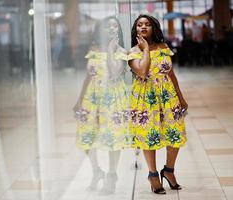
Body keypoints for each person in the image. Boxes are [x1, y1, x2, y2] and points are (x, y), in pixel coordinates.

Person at [127, 14, 188, 194]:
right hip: (146, 99)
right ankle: (153, 175)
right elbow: (143, 71)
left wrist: (181, 98)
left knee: (175, 133)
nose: (143, 27)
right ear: (136, 29)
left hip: (168, 96)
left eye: (147, 24)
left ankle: (169, 170)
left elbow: (171, 74)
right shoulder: (132, 52)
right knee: (150, 136)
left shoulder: (163, 47)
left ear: (154, 28)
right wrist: (145, 49)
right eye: (139, 25)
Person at [74, 16, 132, 194]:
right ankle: (97, 171)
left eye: (115, 26)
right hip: (92, 98)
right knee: (86, 137)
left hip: (112, 98)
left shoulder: (120, 50)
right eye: (108, 26)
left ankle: (112, 175)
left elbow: (115, 73)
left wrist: (110, 49)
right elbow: (88, 76)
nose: (112, 29)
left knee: (112, 138)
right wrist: (79, 100)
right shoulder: (93, 50)